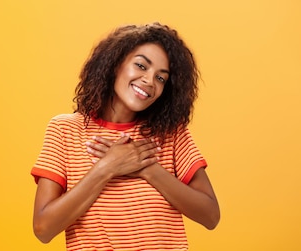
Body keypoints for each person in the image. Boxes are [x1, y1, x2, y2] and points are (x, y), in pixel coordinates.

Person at [31, 22, 220, 250]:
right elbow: (43, 228)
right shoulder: (64, 131)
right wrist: (108, 167)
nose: (149, 81)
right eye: (141, 66)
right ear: (114, 64)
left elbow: (210, 216)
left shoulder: (171, 133)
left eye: (161, 78)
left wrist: (147, 169)